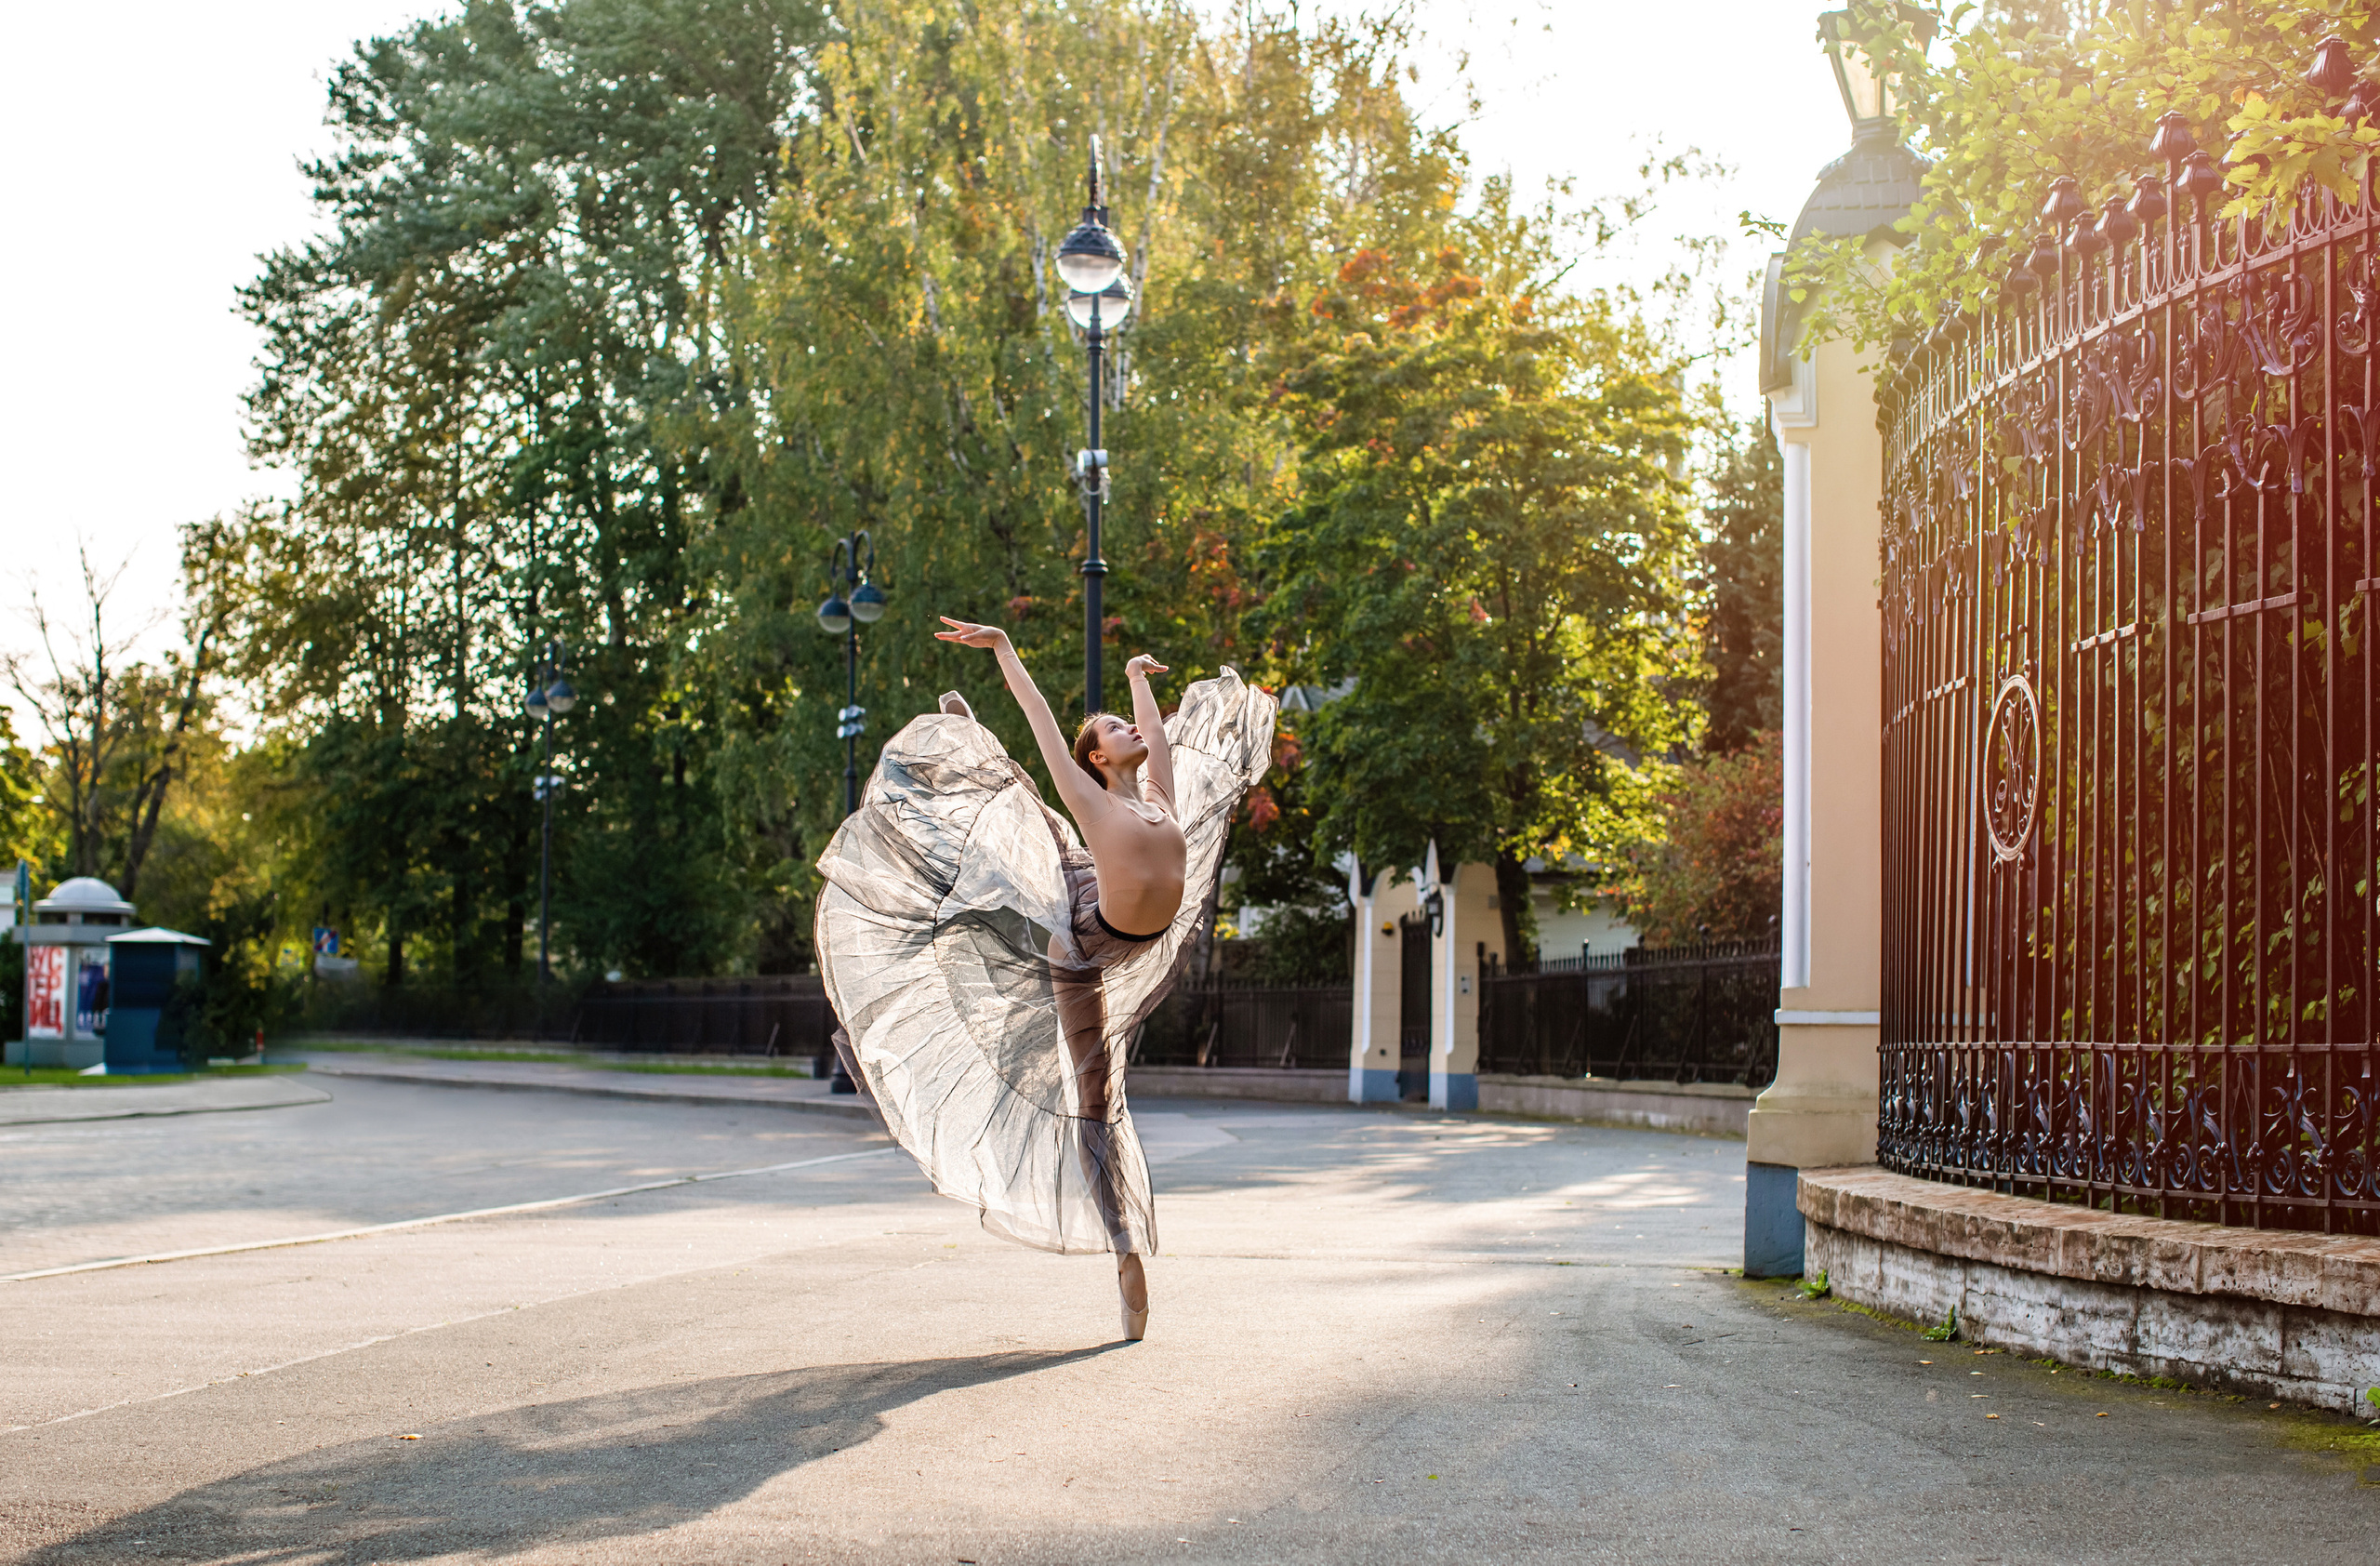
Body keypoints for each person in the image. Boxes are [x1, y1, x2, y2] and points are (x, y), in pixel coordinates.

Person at [813, 617, 1276, 1342]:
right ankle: (1125, 1253)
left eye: (1129, 725)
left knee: (1059, 845)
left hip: (1113, 906)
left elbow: (1155, 730)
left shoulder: (1161, 796)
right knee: (1095, 1099)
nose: (1134, 729)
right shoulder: (1091, 794)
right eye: (1116, 727)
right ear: (1095, 755)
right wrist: (1002, 647)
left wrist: (1134, 679)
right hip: (1085, 948)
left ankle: (984, 749)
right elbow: (1043, 721)